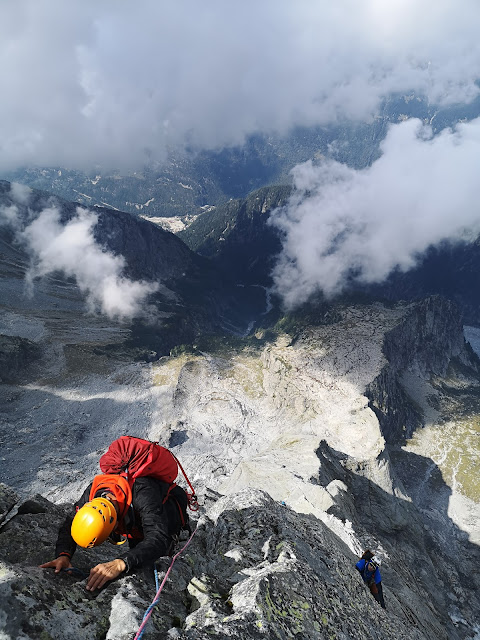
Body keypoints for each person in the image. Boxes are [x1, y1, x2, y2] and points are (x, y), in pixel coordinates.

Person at [40, 473, 189, 591]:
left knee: (156, 560)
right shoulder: (91, 495)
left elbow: (158, 537)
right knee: (138, 552)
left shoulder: (143, 493)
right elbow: (70, 524)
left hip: (166, 514)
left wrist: (121, 563)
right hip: (134, 519)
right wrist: (63, 555)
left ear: (116, 524)